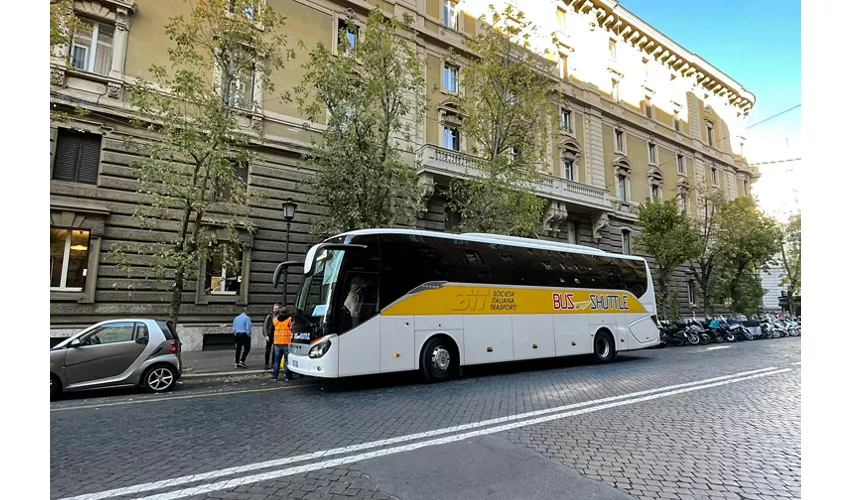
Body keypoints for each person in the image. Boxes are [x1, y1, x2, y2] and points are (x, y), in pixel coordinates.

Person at [271, 307, 294, 381]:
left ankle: (274, 377)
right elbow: (292, 329)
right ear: (286, 313)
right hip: (286, 342)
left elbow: (272, 330)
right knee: (287, 361)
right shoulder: (289, 320)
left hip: (277, 343)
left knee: (276, 361)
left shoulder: (275, 321)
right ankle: (287, 376)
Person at [263, 303, 281, 370]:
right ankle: (266, 364)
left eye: (277, 308)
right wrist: (266, 335)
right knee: (268, 350)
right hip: (270, 334)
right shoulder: (269, 316)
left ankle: (273, 364)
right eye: (275, 308)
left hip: (277, 335)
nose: (276, 309)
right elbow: (265, 325)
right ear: (273, 309)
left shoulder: (279, 316)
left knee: (275, 350)